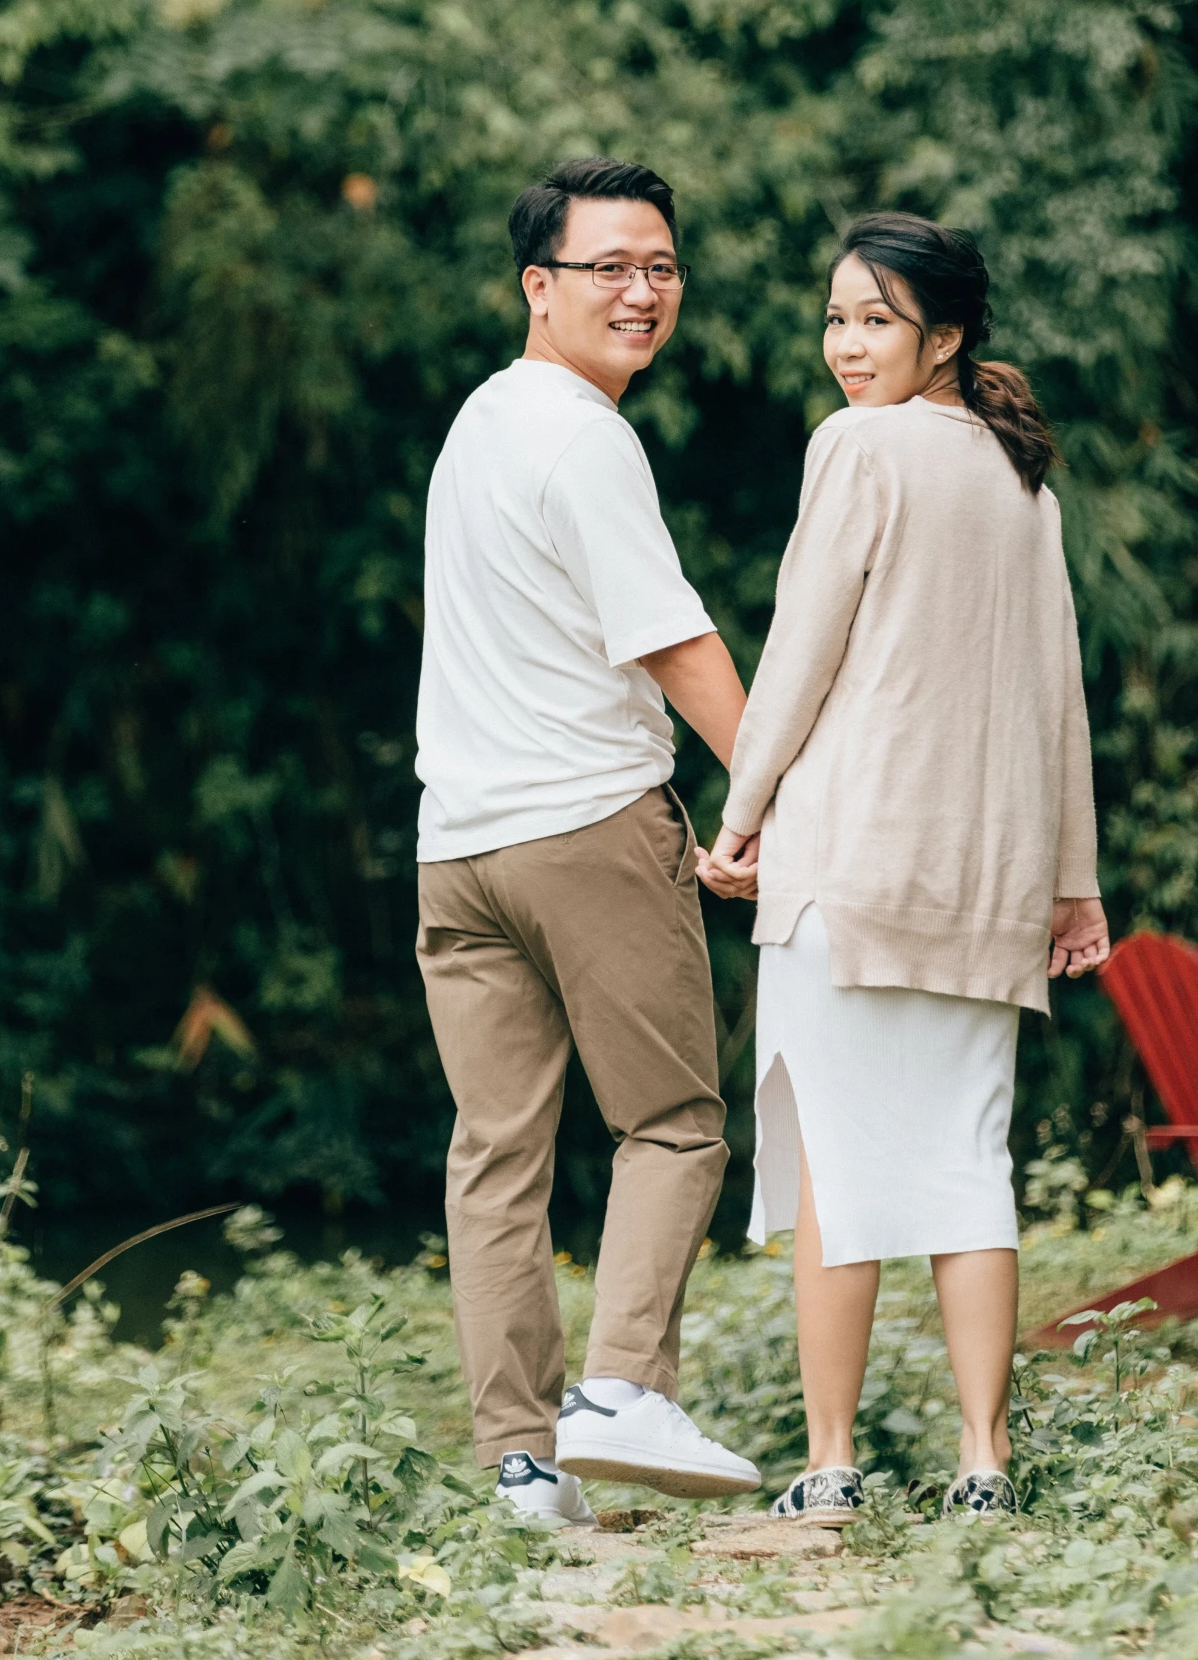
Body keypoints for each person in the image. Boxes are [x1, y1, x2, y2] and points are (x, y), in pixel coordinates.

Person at [699, 212, 1111, 1525]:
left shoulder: (857, 448)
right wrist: (1069, 878)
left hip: (855, 869)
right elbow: (1059, 696)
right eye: (835, 317)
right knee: (964, 1166)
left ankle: (828, 1466)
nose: (843, 345)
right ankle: (981, 1463)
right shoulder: (1019, 477)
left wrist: (739, 810)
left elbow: (800, 652)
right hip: (984, 884)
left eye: (872, 319)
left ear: (942, 335)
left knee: (837, 1161)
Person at [415, 156, 762, 1527]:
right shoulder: (581, 434)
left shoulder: (480, 422)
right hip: (584, 827)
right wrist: (781, 797)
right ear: (536, 285)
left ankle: (520, 1462)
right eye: (609, 265)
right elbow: (674, 640)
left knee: (495, 1151)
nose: (641, 289)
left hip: (458, 847)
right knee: (672, 1123)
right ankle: (620, 1389)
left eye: (660, 265)